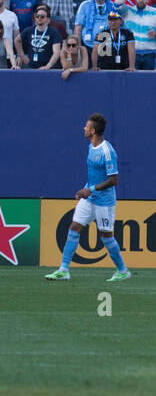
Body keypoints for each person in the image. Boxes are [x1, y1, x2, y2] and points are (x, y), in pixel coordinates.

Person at [46, 114, 131, 282]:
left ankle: (122, 270)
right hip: (90, 197)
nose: (83, 129)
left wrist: (90, 189)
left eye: (86, 127)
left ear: (93, 131)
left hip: (104, 202)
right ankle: (64, 270)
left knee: (106, 237)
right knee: (74, 227)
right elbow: (95, 175)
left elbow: (113, 180)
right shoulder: (91, 146)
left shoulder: (107, 151)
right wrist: (86, 189)